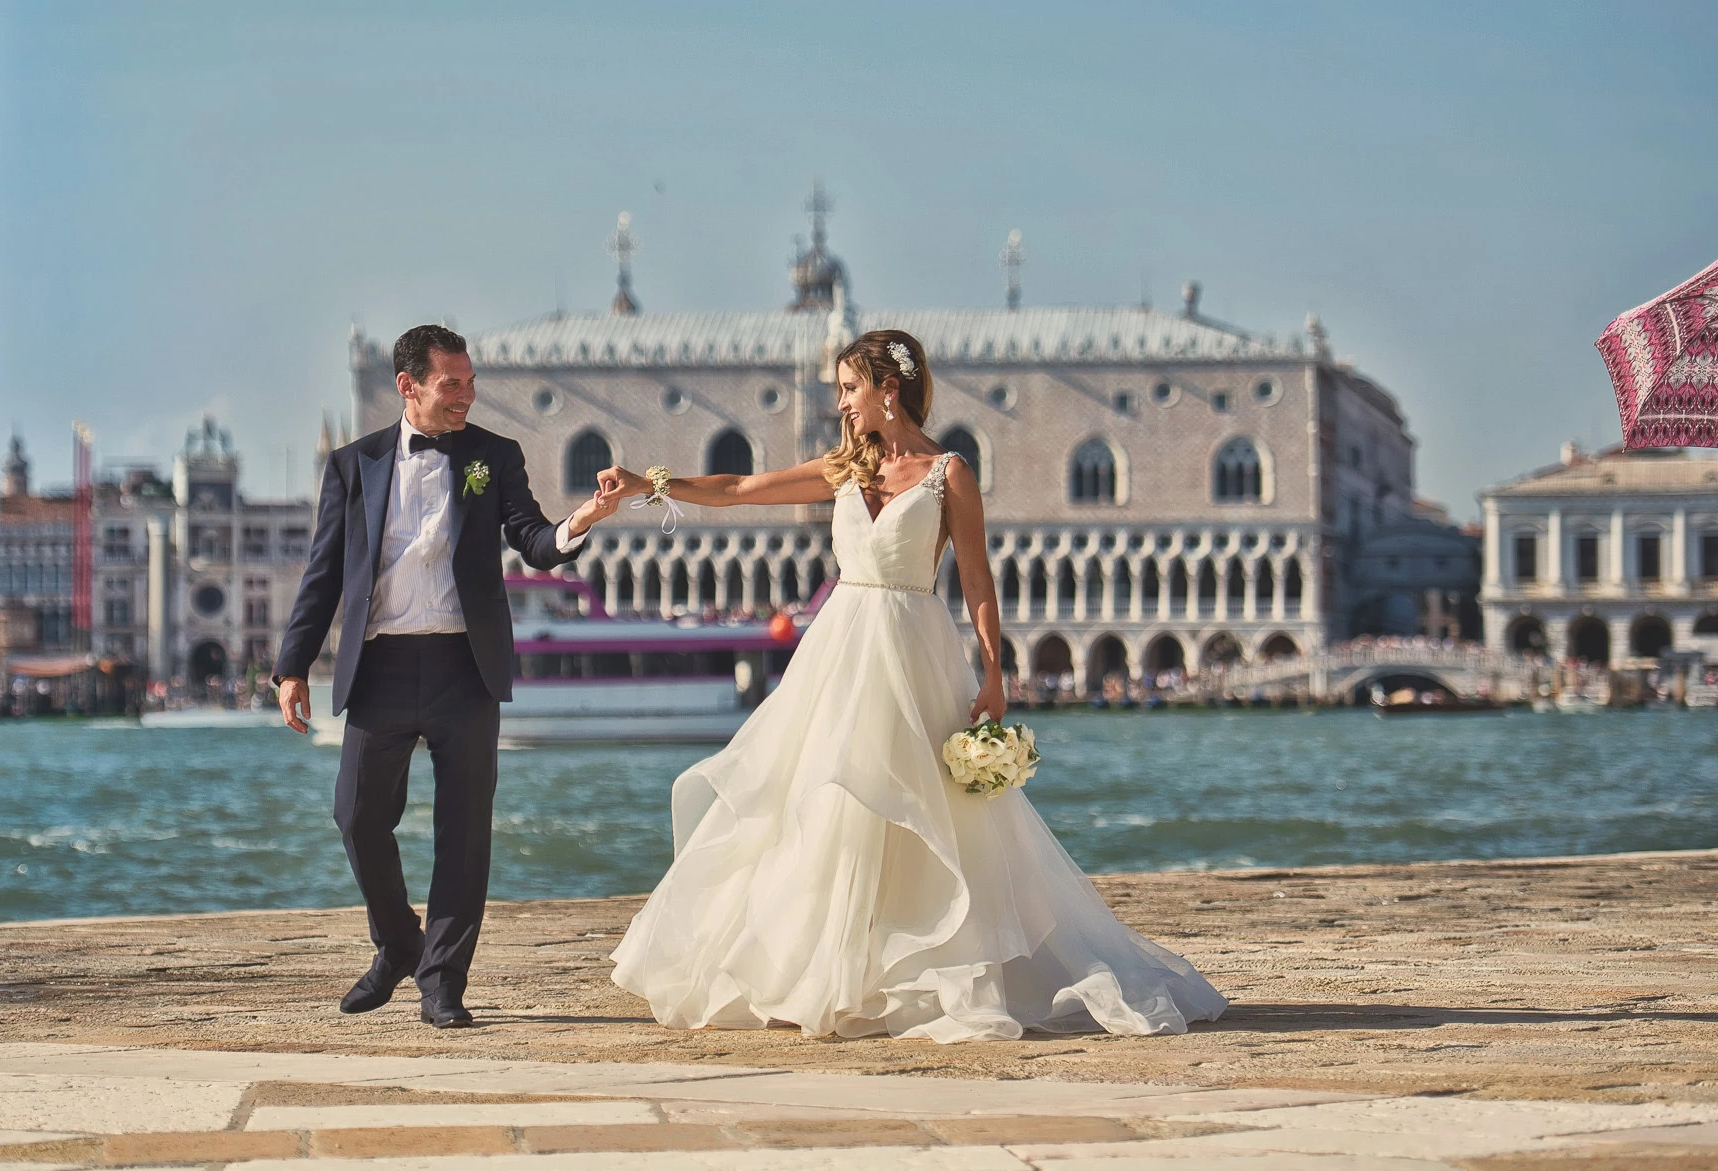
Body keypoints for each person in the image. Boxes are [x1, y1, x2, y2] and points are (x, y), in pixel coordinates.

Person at [598, 329, 1227, 1042]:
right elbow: (741, 489)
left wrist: (994, 672)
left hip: (913, 647)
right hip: (841, 652)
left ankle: (927, 967)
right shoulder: (843, 468)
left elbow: (977, 579)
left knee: (919, 807)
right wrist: (649, 485)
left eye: (847, 388)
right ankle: (827, 970)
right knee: (825, 799)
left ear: (885, 390)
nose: (839, 403)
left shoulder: (948, 473)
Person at [272, 323, 617, 1028]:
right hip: (381, 666)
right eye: (451, 383)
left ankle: (443, 983)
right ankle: (400, 943)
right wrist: (292, 665)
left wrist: (580, 520)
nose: (467, 395)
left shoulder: (487, 459)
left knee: (465, 832)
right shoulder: (353, 465)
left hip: (466, 665)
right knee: (357, 816)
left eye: (471, 382)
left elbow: (531, 537)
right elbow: (324, 572)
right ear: (409, 386)